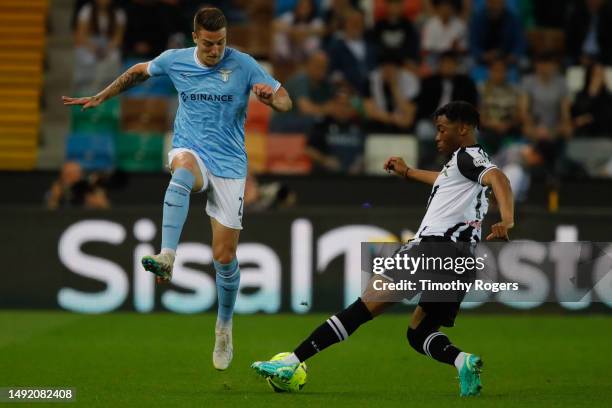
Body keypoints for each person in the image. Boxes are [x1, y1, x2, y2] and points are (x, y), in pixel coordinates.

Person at [63, 7, 292, 371]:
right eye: (209, 44)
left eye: (221, 43)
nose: (216, 50)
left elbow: (285, 98)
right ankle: (167, 255)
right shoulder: (175, 60)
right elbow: (138, 72)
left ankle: (224, 326)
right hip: (192, 151)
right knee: (181, 169)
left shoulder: (244, 64)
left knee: (224, 257)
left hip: (230, 166)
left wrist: (270, 99)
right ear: (195, 37)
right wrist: (101, 96)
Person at [251, 101, 515, 397]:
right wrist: (408, 172)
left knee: (361, 309)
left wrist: (506, 219)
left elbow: (499, 178)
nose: (437, 136)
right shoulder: (463, 163)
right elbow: (443, 181)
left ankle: (290, 362)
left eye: (442, 129)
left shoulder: (469, 157)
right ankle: (462, 361)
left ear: (463, 128)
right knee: (419, 334)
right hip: (460, 260)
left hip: (431, 250)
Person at [73, 0, 126, 94]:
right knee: (86, 58)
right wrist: (93, 48)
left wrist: (108, 49)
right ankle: (84, 89)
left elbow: (118, 37)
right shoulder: (87, 10)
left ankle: (108, 89)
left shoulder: (118, 13)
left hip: (109, 47)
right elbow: (81, 35)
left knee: (114, 57)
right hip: (89, 46)